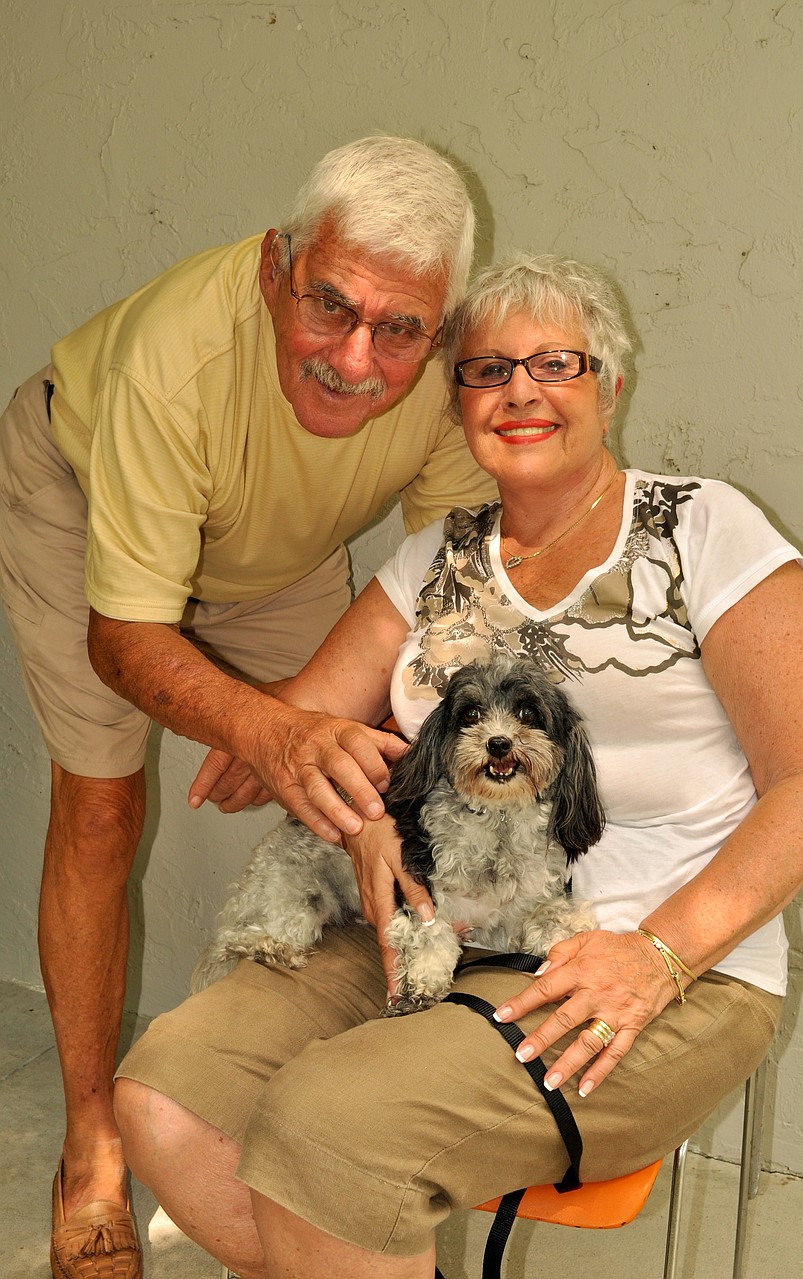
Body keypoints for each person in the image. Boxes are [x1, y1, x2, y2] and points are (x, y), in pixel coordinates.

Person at [113, 253, 803, 1279]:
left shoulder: (706, 531)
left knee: (328, 1132)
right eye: (486, 369)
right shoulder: (432, 560)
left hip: (660, 959)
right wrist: (362, 808)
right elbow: (283, 742)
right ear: (454, 401)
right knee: (167, 1093)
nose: (520, 391)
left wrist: (660, 955)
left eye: (555, 362)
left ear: (612, 384)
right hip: (431, 927)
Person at [0, 135, 498, 1279]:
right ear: (278, 267)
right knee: (100, 806)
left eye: (400, 329)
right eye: (330, 305)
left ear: (443, 324)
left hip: (274, 553)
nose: (357, 360)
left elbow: (448, 601)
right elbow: (123, 640)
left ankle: (289, 1130)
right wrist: (262, 722)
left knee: (362, 785)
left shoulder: (444, 372)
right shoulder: (174, 364)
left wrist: (318, 720)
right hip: (81, 499)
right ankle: (93, 1145)